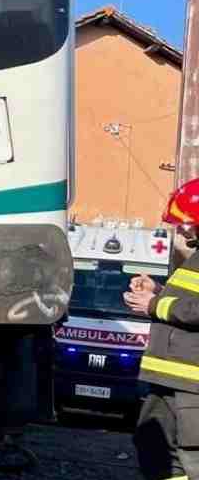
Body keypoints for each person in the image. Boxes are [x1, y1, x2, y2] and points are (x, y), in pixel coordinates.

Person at [124, 179, 199, 480]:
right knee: (155, 450)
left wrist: (154, 304)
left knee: (191, 457)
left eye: (186, 223)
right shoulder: (195, 257)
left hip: (191, 385)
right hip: (170, 379)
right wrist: (158, 289)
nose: (181, 230)